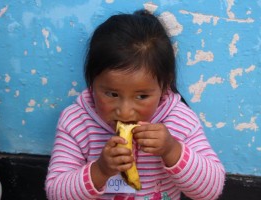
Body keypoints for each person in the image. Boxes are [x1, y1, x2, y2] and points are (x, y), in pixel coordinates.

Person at [45, 9, 225, 200]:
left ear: (164, 86)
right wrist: (100, 170)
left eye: (141, 96)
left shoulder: (179, 120)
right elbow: (56, 193)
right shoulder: (76, 122)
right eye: (112, 94)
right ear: (91, 82)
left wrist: (172, 150)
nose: (125, 112)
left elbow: (210, 191)